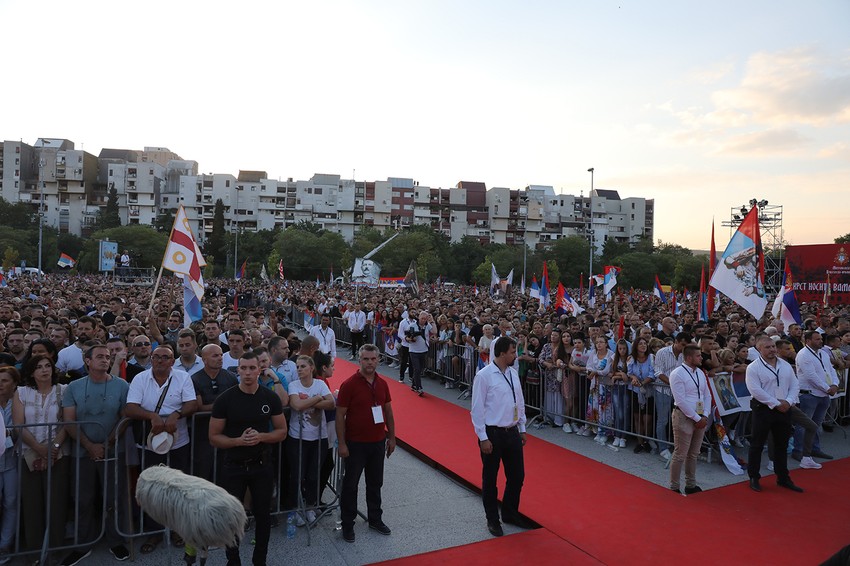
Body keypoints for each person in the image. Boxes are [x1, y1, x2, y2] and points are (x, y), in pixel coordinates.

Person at [210, 351, 287, 566]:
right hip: (233, 467)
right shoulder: (225, 399)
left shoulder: (270, 397)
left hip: (262, 465)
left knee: (263, 516)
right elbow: (214, 436)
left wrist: (261, 437)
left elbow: (282, 431)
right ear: (238, 370)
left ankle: (260, 560)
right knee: (231, 517)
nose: (247, 373)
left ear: (259, 370)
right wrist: (238, 441)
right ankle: (233, 560)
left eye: (252, 368)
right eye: (243, 368)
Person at [61, 344, 131, 565]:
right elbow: (69, 420)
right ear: (87, 361)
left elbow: (125, 417)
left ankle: (116, 541)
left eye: (108, 357)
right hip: (82, 453)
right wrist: (89, 445)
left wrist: (108, 442)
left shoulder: (122, 385)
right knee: (83, 499)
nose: (105, 360)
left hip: (113, 451)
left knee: (113, 497)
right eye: (100, 356)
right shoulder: (73, 387)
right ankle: (83, 544)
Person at [125, 345, 198, 553]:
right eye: (156, 357)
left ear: (172, 361)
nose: (160, 360)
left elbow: (192, 404)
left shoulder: (183, 377)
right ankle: (154, 531)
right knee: (152, 488)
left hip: (178, 443)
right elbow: (130, 407)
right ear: (151, 359)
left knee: (178, 487)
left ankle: (177, 529)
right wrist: (152, 416)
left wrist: (176, 414)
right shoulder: (140, 379)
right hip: (149, 444)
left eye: (165, 357)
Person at [336, 344, 395, 543]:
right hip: (355, 444)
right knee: (351, 485)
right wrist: (342, 443)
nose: (370, 362)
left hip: (377, 443)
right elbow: (340, 415)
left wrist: (392, 437)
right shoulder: (349, 384)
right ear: (360, 360)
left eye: (373, 359)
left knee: (375, 483)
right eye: (366, 359)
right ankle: (348, 524)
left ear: (378, 360)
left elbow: (388, 412)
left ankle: (375, 519)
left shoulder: (383, 384)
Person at [13, 354, 69, 562]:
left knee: (57, 503)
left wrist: (53, 448)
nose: (44, 370)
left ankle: (55, 551)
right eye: (39, 367)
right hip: (28, 453)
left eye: (48, 366)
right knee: (32, 505)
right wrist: (39, 448)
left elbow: (67, 423)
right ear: (31, 372)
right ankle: (34, 554)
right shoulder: (21, 392)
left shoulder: (63, 390)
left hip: (57, 453)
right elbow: (18, 424)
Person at [471, 337, 527, 538]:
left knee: (517, 476)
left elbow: (519, 401)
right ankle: (492, 519)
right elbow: (477, 409)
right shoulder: (484, 376)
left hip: (512, 432)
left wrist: (522, 427)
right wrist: (483, 437)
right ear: (502, 353)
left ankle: (510, 513)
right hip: (492, 434)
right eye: (512, 352)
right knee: (490, 479)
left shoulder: (512, 373)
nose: (515, 355)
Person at [745, 336, 803, 493]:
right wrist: (776, 403)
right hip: (763, 409)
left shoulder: (785, 365)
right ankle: (754, 477)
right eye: (768, 347)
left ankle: (783, 478)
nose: (772, 350)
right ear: (759, 349)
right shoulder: (753, 368)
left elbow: (794, 384)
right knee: (757, 444)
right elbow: (755, 390)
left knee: (781, 444)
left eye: (773, 346)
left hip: (784, 408)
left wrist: (788, 401)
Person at [287, 355, 334, 525]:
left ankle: (310, 506)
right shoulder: (293, 385)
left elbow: (331, 403)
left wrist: (307, 402)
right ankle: (295, 507)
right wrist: (317, 399)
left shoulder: (320, 384)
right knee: (297, 475)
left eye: (303, 366)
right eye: (298, 366)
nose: (299, 369)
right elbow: (296, 405)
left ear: (311, 368)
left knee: (314, 475)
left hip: (319, 437)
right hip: (297, 437)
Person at [191, 344, 239, 481]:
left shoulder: (231, 378)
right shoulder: (195, 379)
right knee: (204, 471)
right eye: (215, 355)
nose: (220, 358)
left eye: (221, 355)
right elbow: (198, 407)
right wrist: (223, 406)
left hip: (227, 432)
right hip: (203, 434)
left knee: (225, 471)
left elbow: (236, 403)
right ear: (204, 359)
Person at [668, 344, 711, 495]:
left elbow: (707, 395)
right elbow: (680, 400)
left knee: (694, 453)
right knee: (680, 453)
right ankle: (674, 487)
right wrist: (697, 418)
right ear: (689, 357)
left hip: (700, 417)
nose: (701, 358)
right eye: (698, 356)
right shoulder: (677, 374)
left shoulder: (700, 372)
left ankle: (690, 485)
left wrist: (705, 415)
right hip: (683, 417)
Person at [793, 331, 839, 465]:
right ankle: (798, 450)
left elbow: (831, 370)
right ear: (808, 341)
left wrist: (835, 384)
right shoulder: (803, 355)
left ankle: (814, 448)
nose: (821, 341)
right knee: (803, 425)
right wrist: (827, 388)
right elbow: (810, 376)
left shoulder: (823, 353)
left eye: (820, 339)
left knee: (816, 424)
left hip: (824, 394)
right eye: (817, 339)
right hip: (809, 394)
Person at [653, 333, 691, 460]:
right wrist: (672, 383)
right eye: (682, 344)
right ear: (676, 341)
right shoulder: (662, 352)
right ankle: (662, 448)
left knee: (678, 420)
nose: (684, 348)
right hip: (663, 391)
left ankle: (676, 445)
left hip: (679, 392)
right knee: (663, 420)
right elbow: (658, 372)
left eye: (686, 346)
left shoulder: (685, 355)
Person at [0, 367, 18, 565]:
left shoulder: (17, 403)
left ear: (14, 384)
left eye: (4, 380)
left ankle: (5, 545)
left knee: (11, 503)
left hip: (12, 461)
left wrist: (10, 433)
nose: (0, 384)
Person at [405, 312, 433, 396]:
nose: (423, 320)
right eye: (422, 319)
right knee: (417, 369)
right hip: (414, 351)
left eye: (425, 319)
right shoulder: (412, 326)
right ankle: (419, 387)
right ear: (419, 318)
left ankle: (414, 385)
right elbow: (406, 337)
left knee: (420, 369)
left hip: (424, 350)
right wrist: (411, 339)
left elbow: (434, 331)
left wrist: (432, 321)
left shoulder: (427, 325)